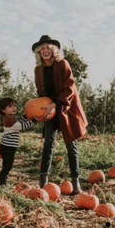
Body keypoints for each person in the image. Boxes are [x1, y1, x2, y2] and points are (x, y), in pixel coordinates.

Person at [32, 35, 87, 193]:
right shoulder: (38, 70)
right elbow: (40, 92)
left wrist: (55, 104)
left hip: (65, 108)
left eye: (48, 47)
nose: (45, 51)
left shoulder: (63, 64)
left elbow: (69, 87)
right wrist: (39, 109)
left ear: (54, 50)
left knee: (71, 145)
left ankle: (76, 184)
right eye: (41, 49)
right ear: (38, 52)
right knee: (48, 143)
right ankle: (43, 183)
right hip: (49, 110)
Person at [0, 97, 37, 185]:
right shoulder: (9, 119)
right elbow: (21, 126)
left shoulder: (10, 117)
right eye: (10, 106)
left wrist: (25, 117)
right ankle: (1, 184)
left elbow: (18, 123)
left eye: (14, 106)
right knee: (7, 167)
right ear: (3, 110)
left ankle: (2, 182)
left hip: (7, 147)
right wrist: (33, 120)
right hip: (8, 147)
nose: (14, 108)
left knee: (6, 166)